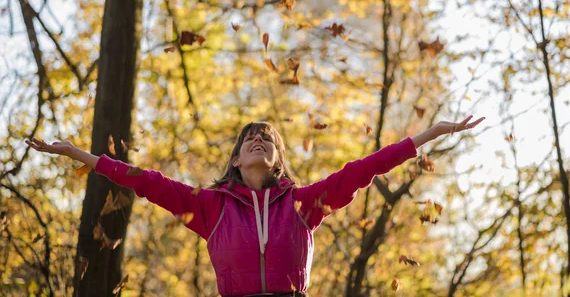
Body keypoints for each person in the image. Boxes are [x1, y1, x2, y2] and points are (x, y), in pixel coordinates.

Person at [26, 115, 484, 296]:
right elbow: (145, 182)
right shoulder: (209, 208)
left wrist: (429, 135)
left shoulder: (306, 205)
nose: (258, 139)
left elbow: (366, 168)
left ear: (278, 159)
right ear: (236, 159)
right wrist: (78, 155)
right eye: (250, 138)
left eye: (267, 138)